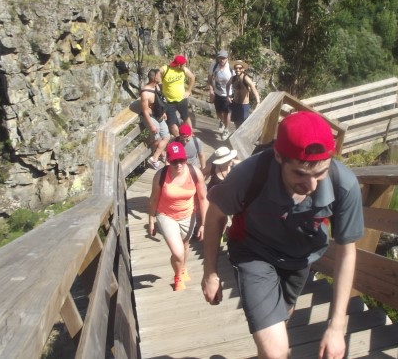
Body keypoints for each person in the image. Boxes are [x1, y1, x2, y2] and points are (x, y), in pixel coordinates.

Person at [202, 111, 364, 359]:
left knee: (281, 323)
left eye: (320, 173)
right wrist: (210, 272)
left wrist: (337, 325)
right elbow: (215, 216)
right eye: (300, 173)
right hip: (254, 252)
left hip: (300, 259)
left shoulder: (345, 185)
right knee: (276, 351)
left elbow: (346, 250)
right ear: (278, 156)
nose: (311, 186)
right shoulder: (249, 174)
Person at [149, 141, 208, 291]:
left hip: (188, 214)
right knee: (178, 252)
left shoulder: (195, 173)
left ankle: (182, 268)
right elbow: (154, 199)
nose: (178, 164)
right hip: (166, 215)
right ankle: (178, 276)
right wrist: (151, 220)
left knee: (186, 245)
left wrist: (203, 224)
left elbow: (203, 198)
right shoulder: (161, 175)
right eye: (174, 161)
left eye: (181, 160)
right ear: (168, 160)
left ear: (186, 159)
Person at [140, 68, 170, 170]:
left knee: (166, 136)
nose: (161, 77)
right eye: (159, 75)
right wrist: (152, 125)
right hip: (151, 116)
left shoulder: (157, 87)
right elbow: (145, 111)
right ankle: (157, 157)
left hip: (159, 115)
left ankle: (155, 157)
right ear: (154, 78)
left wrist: (164, 112)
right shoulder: (145, 93)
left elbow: (159, 100)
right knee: (157, 139)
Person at [161, 55, 196, 138]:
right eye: (184, 64)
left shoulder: (184, 70)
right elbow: (156, 75)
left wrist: (188, 91)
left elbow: (192, 77)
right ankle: (179, 139)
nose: (185, 66)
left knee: (186, 117)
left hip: (182, 99)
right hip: (169, 101)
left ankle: (190, 135)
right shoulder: (166, 69)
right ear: (179, 65)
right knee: (172, 123)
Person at [208, 50, 234, 141]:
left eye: (224, 58)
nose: (222, 60)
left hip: (228, 94)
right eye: (220, 58)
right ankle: (222, 122)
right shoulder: (214, 66)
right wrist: (211, 90)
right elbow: (210, 79)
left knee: (227, 113)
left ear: (227, 58)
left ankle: (226, 130)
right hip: (217, 93)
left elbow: (236, 80)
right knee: (219, 112)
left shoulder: (231, 68)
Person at [226, 60, 260, 129]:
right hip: (236, 103)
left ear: (243, 69)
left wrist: (258, 101)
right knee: (236, 122)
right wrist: (228, 96)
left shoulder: (245, 78)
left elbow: (253, 87)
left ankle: (240, 137)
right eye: (236, 68)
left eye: (239, 68)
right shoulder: (233, 78)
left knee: (243, 123)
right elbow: (227, 85)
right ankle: (236, 135)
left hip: (244, 105)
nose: (237, 69)